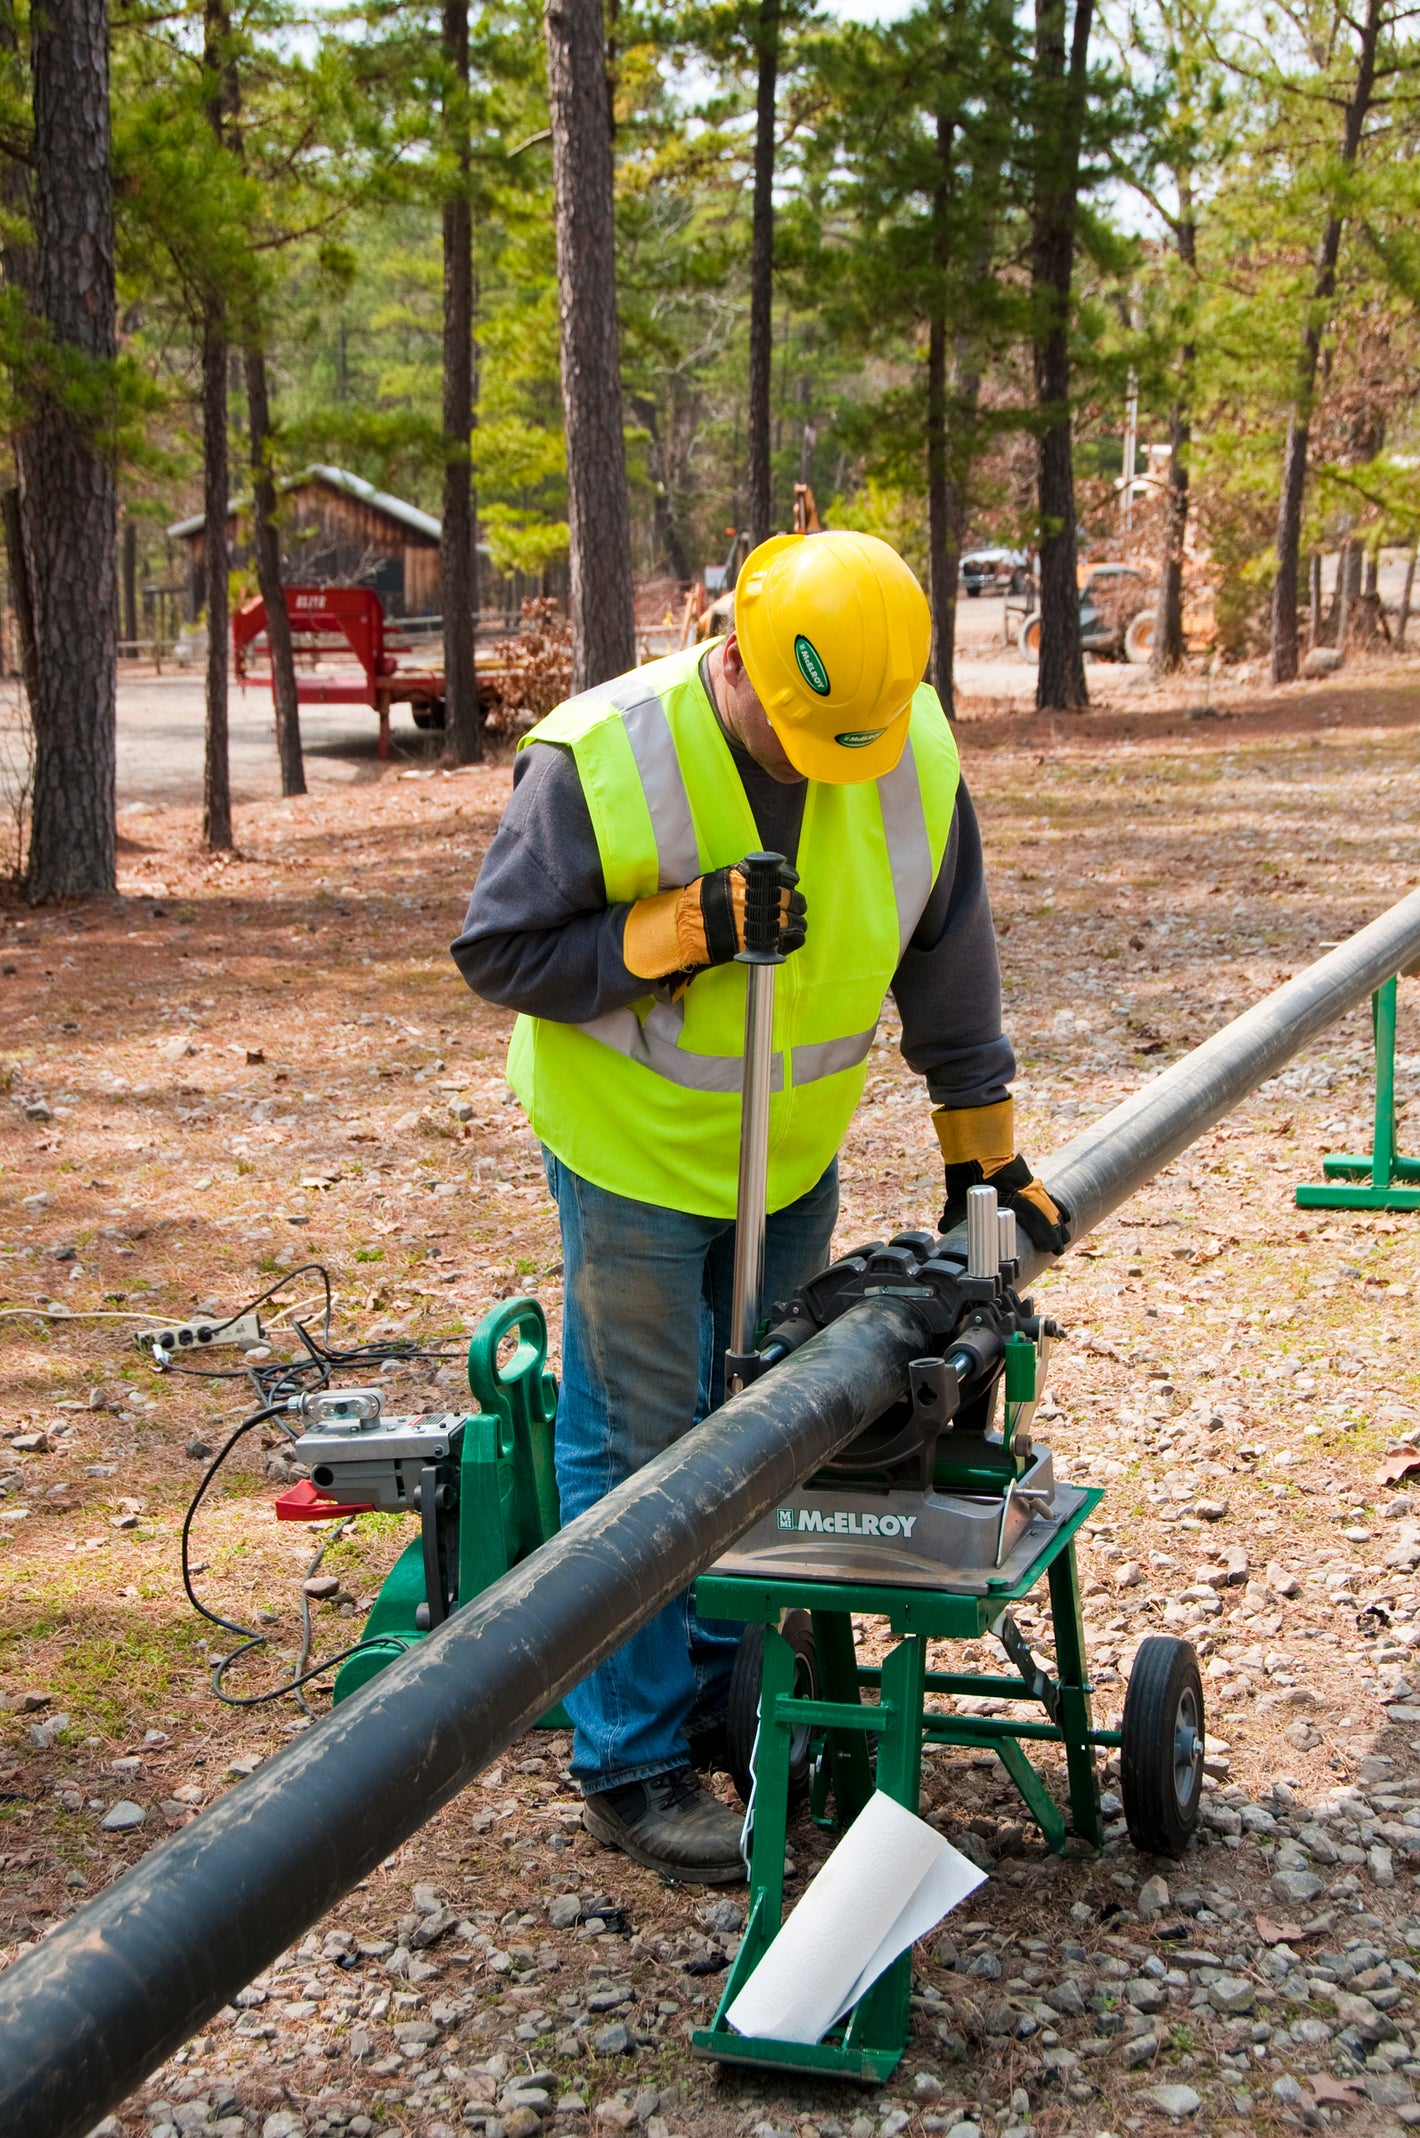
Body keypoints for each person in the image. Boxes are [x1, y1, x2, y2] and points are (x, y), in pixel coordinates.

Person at [452, 530, 1065, 1884]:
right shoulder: (600, 753)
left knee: (771, 1419)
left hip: (788, 1156)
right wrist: (672, 931)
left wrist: (986, 1160)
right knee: (640, 1443)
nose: (817, 767)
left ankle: (728, 1686)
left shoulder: (901, 744)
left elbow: (949, 971)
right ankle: (629, 1757)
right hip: (631, 1148)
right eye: (793, 736)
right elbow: (498, 947)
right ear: (730, 653)